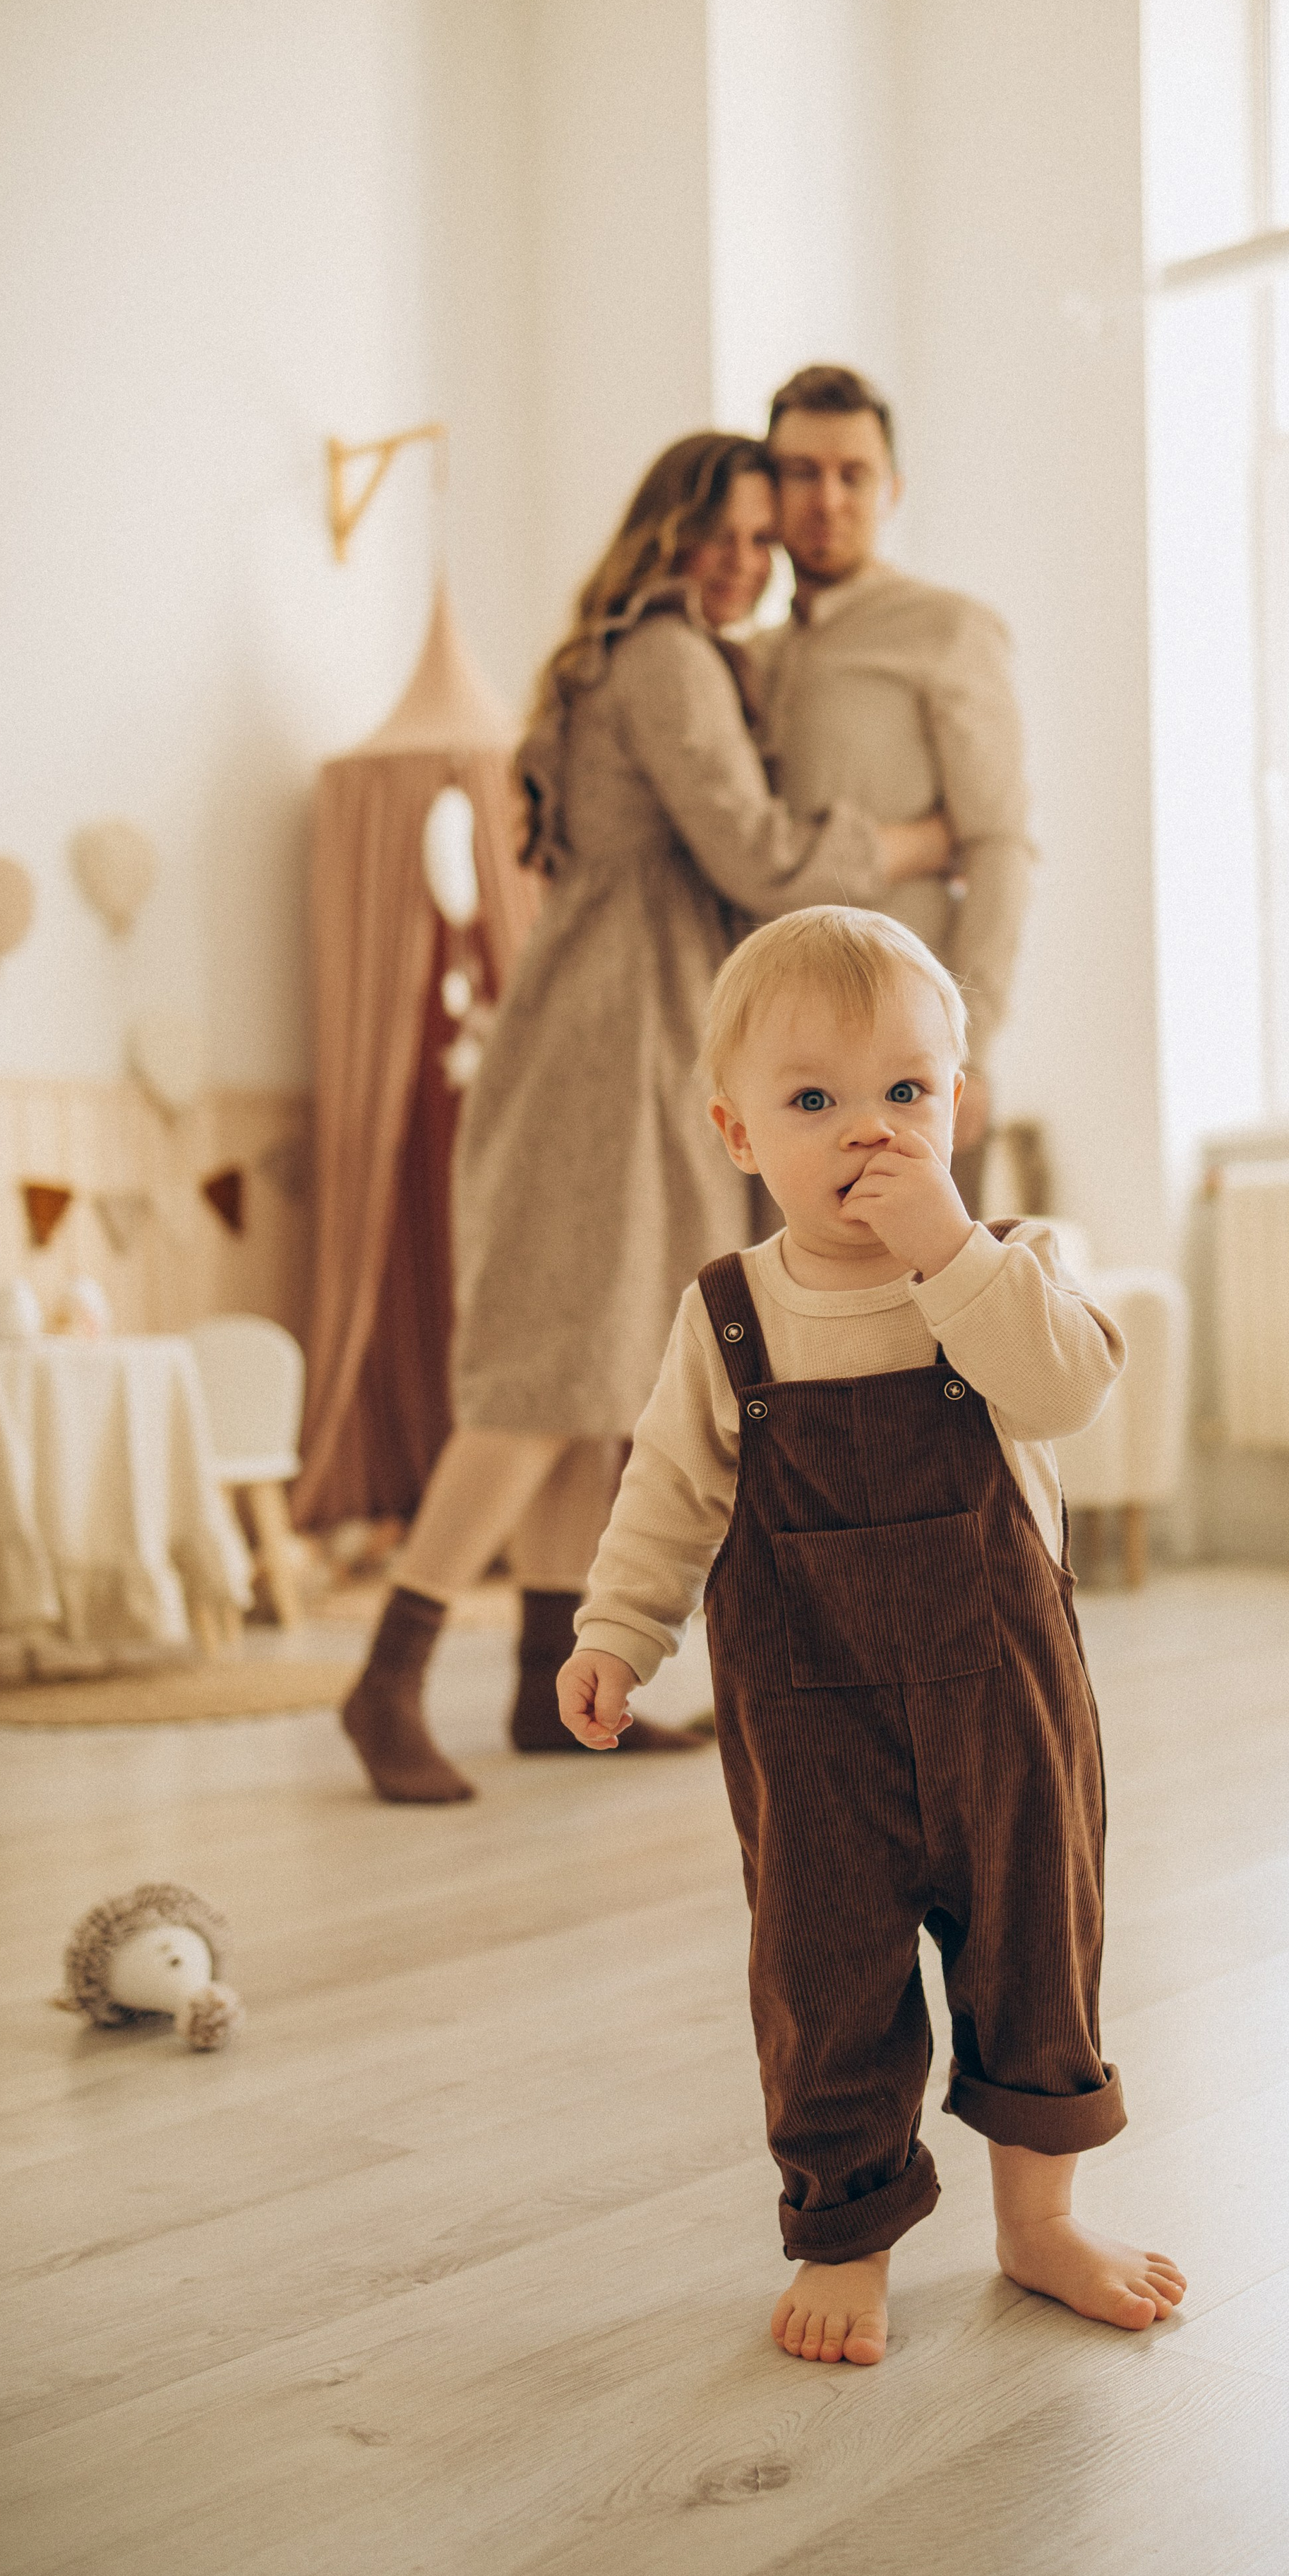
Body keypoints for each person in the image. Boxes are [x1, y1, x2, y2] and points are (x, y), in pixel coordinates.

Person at [557, 908, 1186, 2364]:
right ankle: (845, 2231)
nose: (868, 1135)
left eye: (906, 1092)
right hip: (807, 1728)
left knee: (1035, 1952)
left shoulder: (1007, 1266)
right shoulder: (729, 1317)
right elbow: (667, 1489)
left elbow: (1063, 1389)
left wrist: (943, 1248)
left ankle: (1037, 2223)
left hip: (1002, 1713)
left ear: (959, 1104)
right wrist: (618, 1629)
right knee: (820, 1976)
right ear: (735, 1132)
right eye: (813, 1101)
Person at [340, 436, 955, 1806]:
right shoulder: (667, 654)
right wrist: (910, 845)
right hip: (599, 1057)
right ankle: (387, 1671)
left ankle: (545, 1677)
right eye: (717, 532)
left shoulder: (684, 657)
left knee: (608, 1371)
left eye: (759, 539)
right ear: (665, 534)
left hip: (642, 1043)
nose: (741, 559)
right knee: (543, 1369)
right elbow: (752, 853)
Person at [753, 366, 1035, 1211]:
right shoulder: (748, 659)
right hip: (780, 1062)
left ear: (892, 490)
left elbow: (999, 845)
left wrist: (971, 1052)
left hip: (910, 1057)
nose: (826, 499)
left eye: (852, 475)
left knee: (936, 1323)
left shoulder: (948, 629)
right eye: (800, 472)